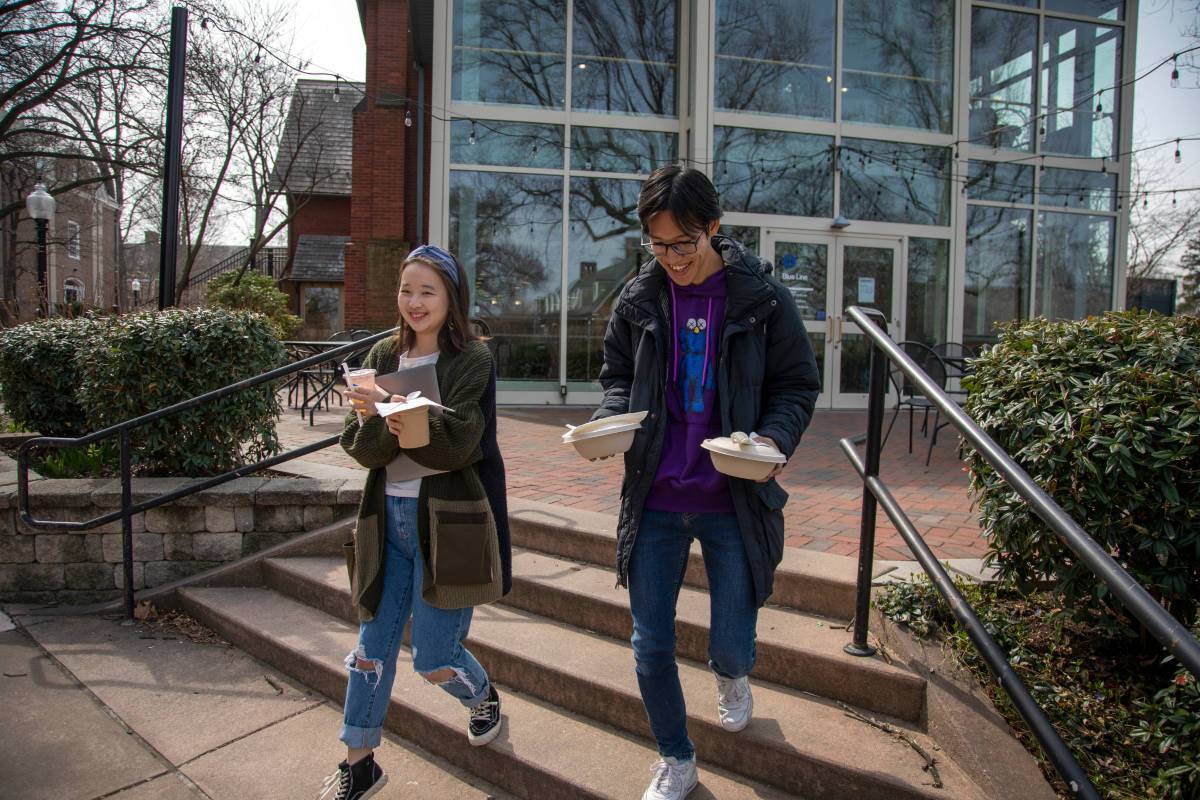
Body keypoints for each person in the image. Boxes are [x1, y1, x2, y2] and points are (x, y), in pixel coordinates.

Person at [592, 165, 820, 800]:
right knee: (650, 645)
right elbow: (616, 375)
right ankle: (676, 757)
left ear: (714, 228)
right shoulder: (638, 298)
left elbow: (797, 385)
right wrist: (612, 419)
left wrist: (773, 439)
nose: (671, 260)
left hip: (733, 498)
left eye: (683, 245)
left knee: (731, 644)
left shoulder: (762, 299)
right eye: (657, 246)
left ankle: (733, 673)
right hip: (655, 497)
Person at [319, 244, 511, 800]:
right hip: (387, 519)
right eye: (407, 290)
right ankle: (359, 764)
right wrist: (380, 411)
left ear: (451, 297)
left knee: (435, 659)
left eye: (428, 290)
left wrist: (401, 411)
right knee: (369, 649)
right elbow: (359, 446)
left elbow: (459, 445)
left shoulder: (471, 359)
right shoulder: (381, 354)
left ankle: (482, 698)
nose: (415, 301)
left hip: (452, 522)